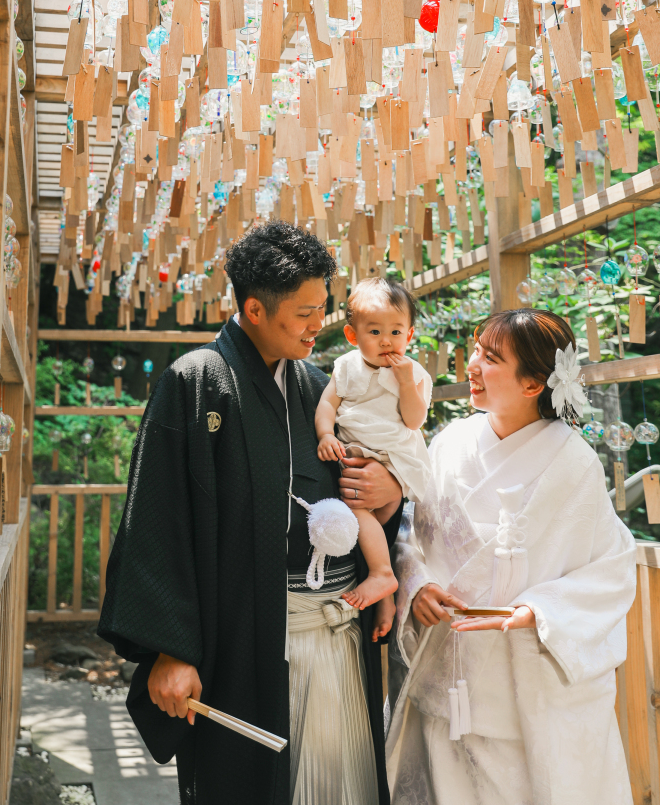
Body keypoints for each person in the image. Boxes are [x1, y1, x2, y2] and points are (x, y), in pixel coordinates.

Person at [98, 221, 405, 805]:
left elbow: (379, 484)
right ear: (255, 309)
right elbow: (158, 522)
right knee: (246, 785)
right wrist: (172, 649)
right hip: (243, 636)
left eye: (323, 307)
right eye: (305, 312)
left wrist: (388, 487)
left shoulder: (322, 385)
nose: (320, 324)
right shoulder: (196, 382)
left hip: (338, 628)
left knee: (343, 784)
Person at [386, 308, 636, 805]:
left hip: (524, 684)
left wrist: (541, 611)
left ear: (533, 384)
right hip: (447, 668)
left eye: (491, 357)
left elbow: (611, 567)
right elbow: (410, 530)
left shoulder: (573, 462)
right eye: (477, 349)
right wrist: (416, 584)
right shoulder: (451, 442)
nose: (472, 364)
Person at [315, 279, 432, 638]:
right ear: (352, 336)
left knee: (364, 515)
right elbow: (327, 405)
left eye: (395, 331)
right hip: (356, 451)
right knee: (367, 523)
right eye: (375, 331)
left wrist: (406, 380)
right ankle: (385, 587)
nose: (386, 340)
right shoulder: (347, 367)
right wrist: (326, 434)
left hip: (393, 455)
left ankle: (383, 575)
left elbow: (414, 420)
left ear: (409, 334)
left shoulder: (412, 373)